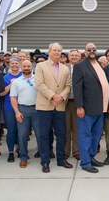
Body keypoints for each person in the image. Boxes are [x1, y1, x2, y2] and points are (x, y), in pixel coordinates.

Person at [35, 43, 72, 173]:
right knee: (44, 135)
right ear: (49, 51)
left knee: (61, 135)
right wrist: (53, 96)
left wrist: (61, 97)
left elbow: (68, 86)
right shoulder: (40, 66)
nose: (57, 52)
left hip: (60, 106)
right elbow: (39, 84)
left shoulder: (65, 68)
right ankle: (45, 161)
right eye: (54, 50)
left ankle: (61, 159)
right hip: (45, 106)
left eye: (59, 50)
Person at [73, 43, 109, 173]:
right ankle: (85, 162)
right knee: (85, 136)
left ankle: (91, 157)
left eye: (94, 49)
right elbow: (77, 88)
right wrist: (79, 106)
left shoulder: (98, 64)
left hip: (100, 108)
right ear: (85, 51)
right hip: (86, 109)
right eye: (89, 49)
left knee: (96, 135)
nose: (92, 51)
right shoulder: (80, 66)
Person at [10, 60, 40, 168]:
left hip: (37, 110)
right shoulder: (16, 82)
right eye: (24, 66)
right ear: (21, 68)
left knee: (40, 134)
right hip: (23, 110)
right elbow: (13, 98)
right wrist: (17, 112)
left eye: (28, 66)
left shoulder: (38, 79)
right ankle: (23, 157)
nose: (26, 68)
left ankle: (42, 155)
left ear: (32, 67)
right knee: (22, 135)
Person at [0, 56, 23, 162]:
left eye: (16, 63)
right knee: (11, 130)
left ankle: (20, 149)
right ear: (9, 64)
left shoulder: (23, 75)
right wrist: (11, 84)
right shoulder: (5, 77)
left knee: (21, 130)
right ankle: (10, 152)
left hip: (22, 106)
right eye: (12, 63)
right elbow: (2, 93)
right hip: (9, 107)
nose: (14, 65)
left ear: (20, 65)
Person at [65, 49, 81, 160]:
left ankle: (76, 151)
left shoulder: (83, 67)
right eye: (72, 55)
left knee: (77, 128)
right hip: (65, 102)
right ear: (68, 57)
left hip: (78, 102)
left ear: (79, 57)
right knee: (66, 127)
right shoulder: (63, 68)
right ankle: (66, 151)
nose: (74, 57)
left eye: (76, 55)